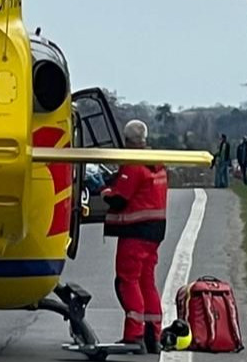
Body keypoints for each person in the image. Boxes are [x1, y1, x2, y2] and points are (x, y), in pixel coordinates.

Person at [101, 120, 167, 354]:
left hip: (136, 232)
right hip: (155, 233)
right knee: (147, 281)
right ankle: (153, 335)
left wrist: (106, 191)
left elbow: (120, 199)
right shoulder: (157, 164)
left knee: (127, 281)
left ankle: (134, 334)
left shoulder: (133, 165)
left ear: (127, 140)